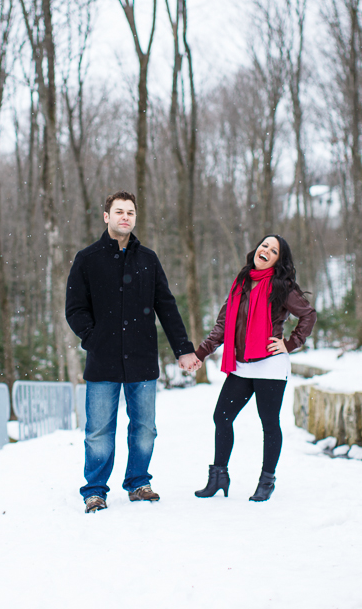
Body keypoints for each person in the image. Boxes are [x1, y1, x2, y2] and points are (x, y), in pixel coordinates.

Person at [66, 190, 201, 513]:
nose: (125, 217)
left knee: (144, 428)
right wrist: (94, 339)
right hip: (102, 362)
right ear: (106, 217)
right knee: (98, 430)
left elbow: (166, 307)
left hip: (142, 361)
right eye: (119, 211)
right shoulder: (88, 259)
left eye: (130, 212)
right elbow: (75, 309)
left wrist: (183, 349)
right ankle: (95, 490)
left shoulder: (148, 260)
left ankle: (138, 482)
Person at [193, 234, 317, 502]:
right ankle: (219, 476)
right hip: (241, 363)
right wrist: (201, 352)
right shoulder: (242, 282)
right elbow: (223, 324)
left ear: (278, 259)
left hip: (270, 365)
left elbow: (308, 314)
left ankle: (267, 480)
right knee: (222, 418)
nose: (266, 251)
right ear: (257, 250)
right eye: (264, 246)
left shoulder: (283, 286)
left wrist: (291, 343)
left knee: (269, 424)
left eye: (273, 250)